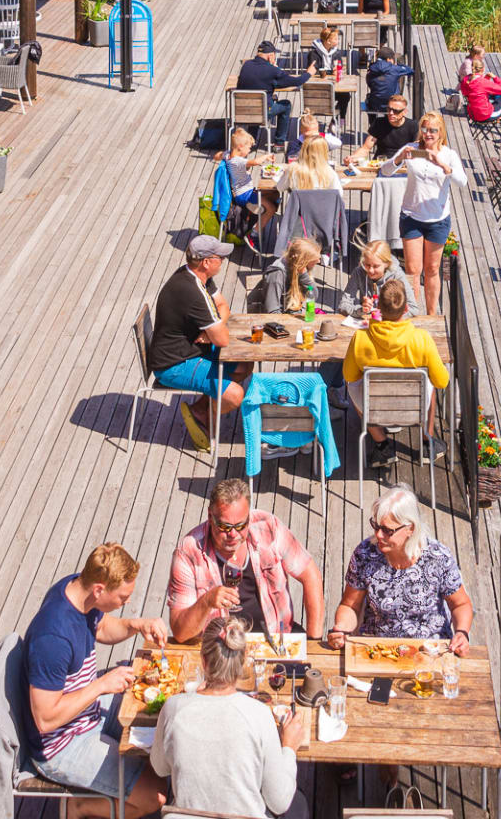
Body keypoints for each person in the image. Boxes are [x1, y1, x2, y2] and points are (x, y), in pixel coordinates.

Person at [21, 544, 170, 819]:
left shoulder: (77, 589)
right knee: (156, 795)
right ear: (100, 589)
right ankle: (79, 808)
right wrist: (101, 685)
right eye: (123, 597)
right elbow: (45, 719)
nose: (126, 602)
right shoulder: (53, 639)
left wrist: (136, 625)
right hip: (63, 742)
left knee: (160, 713)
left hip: (87, 711)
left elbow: (101, 627)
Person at [151, 616, 308, 819]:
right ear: (243, 662)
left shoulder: (174, 707)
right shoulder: (258, 715)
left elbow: (159, 766)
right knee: (300, 804)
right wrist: (288, 749)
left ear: (204, 661)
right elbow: (279, 802)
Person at [168, 476, 325, 642]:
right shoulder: (188, 552)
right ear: (210, 516)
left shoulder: (268, 526)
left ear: (249, 516)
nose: (233, 535)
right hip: (220, 649)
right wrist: (206, 602)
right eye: (224, 526)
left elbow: (311, 575)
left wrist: (314, 641)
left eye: (241, 526)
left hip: (277, 639)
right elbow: (181, 633)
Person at [327, 486, 472, 654]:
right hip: (378, 648)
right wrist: (342, 629)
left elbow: (460, 604)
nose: (379, 535)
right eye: (376, 526)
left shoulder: (438, 557)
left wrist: (462, 632)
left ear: (410, 528)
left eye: (388, 530)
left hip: (429, 649)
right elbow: (350, 605)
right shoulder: (365, 553)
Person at [148, 235, 252, 452]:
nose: (223, 260)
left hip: (189, 350)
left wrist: (211, 330)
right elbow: (223, 339)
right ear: (206, 262)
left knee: (244, 366)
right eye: (219, 257)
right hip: (173, 364)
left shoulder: (197, 277)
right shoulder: (194, 293)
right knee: (234, 396)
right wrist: (214, 331)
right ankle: (207, 418)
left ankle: (200, 409)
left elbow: (224, 306)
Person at [342, 280, 448, 472]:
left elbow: (348, 375)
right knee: (430, 381)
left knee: (354, 385)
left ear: (379, 308)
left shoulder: (361, 338)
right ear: (406, 308)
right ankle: (427, 442)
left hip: (374, 408)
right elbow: (442, 381)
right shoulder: (421, 338)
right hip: (414, 408)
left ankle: (382, 445)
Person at [387, 112, 466, 316]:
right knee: (413, 272)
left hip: (437, 220)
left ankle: (431, 315)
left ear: (441, 132)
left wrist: (442, 164)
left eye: (433, 130)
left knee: (432, 270)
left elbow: (462, 182)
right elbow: (386, 170)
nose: (428, 134)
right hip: (411, 217)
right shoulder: (411, 149)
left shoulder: (449, 154)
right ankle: (414, 315)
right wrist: (400, 159)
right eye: (425, 129)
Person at [235, 41, 310, 143]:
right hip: (262, 112)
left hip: (242, 110)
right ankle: (279, 142)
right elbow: (296, 81)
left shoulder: (246, 65)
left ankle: (252, 138)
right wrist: (309, 73)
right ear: (270, 56)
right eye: (274, 57)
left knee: (257, 101)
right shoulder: (272, 71)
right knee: (286, 105)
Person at [459, 54, 501, 149]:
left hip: (472, 113)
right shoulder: (483, 82)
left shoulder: (466, 79)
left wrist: (485, 79)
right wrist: (494, 77)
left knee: (500, 98)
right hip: (484, 115)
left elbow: (475, 90)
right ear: (482, 70)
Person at [341, 240, 408, 317]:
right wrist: (361, 309)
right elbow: (343, 305)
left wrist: (388, 315)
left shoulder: (396, 275)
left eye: (376, 266)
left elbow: (412, 308)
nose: (370, 270)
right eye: (367, 265)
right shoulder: (359, 272)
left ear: (387, 264)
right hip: (367, 322)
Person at [276, 135, 340, 200]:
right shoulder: (329, 171)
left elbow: (280, 188)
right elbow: (339, 194)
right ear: (324, 152)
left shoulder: (293, 169)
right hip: (322, 208)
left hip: (299, 209)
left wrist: (284, 175)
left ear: (303, 149)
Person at [363, 42, 413, 120]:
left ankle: (373, 126)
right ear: (389, 59)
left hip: (375, 105)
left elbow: (369, 83)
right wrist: (399, 66)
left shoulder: (371, 69)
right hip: (393, 104)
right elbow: (410, 70)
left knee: (369, 100)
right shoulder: (394, 69)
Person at [364, 94, 419, 159]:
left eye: (396, 111)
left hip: (403, 163)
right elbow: (366, 148)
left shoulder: (413, 126)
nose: (391, 113)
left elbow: (417, 150)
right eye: (389, 109)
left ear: (404, 112)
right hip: (381, 163)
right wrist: (353, 158)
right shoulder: (379, 123)